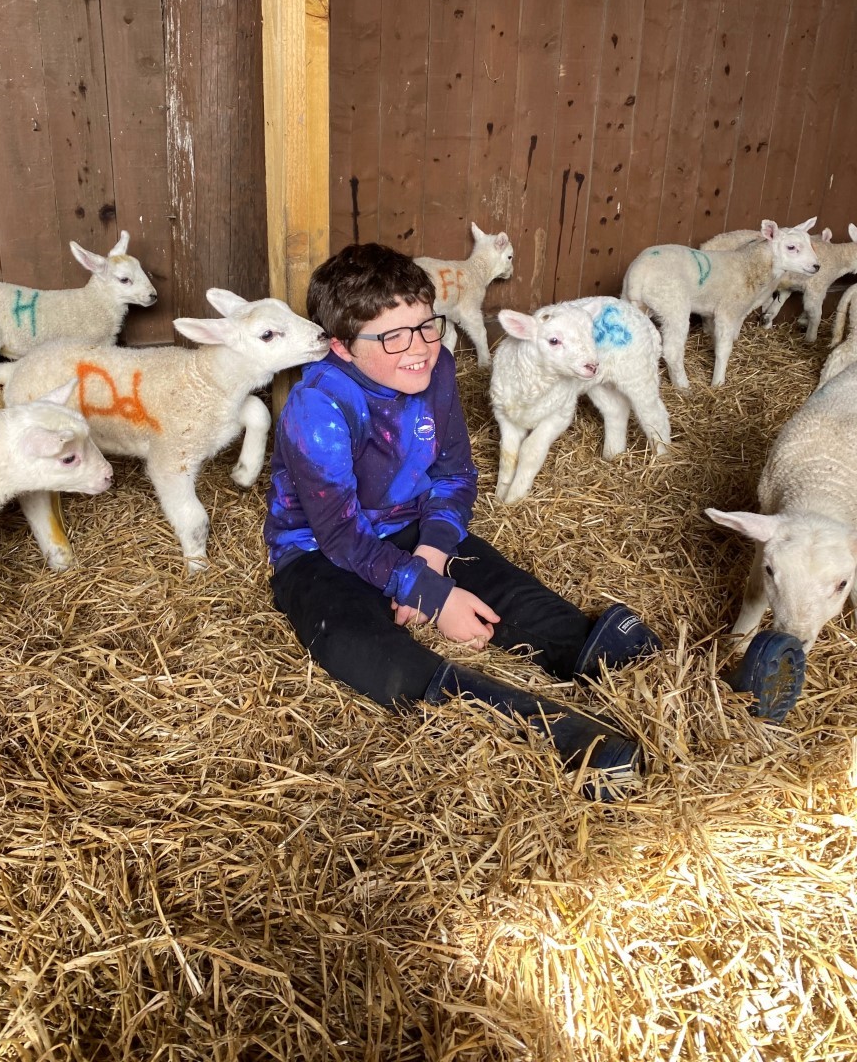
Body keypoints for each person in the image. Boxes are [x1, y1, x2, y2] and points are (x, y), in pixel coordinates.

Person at [264, 243, 806, 799]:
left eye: (426, 326)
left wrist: (429, 557)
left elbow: (453, 477)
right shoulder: (318, 406)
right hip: (318, 552)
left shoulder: (438, 366)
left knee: (514, 594)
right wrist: (427, 594)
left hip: (410, 521)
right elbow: (338, 534)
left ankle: (706, 692)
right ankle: (567, 739)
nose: (419, 349)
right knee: (362, 649)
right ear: (341, 346)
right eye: (393, 336)